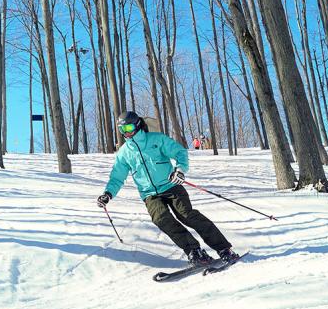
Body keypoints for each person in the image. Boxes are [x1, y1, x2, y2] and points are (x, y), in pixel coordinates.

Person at [96, 109, 235, 266]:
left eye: (128, 128)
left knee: (187, 215)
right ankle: (194, 251)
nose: (126, 133)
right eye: (122, 130)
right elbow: (117, 177)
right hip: (149, 194)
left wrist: (180, 170)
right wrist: (108, 193)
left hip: (171, 186)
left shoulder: (156, 139)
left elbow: (180, 152)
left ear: (137, 125)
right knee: (161, 219)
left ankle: (224, 249)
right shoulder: (124, 153)